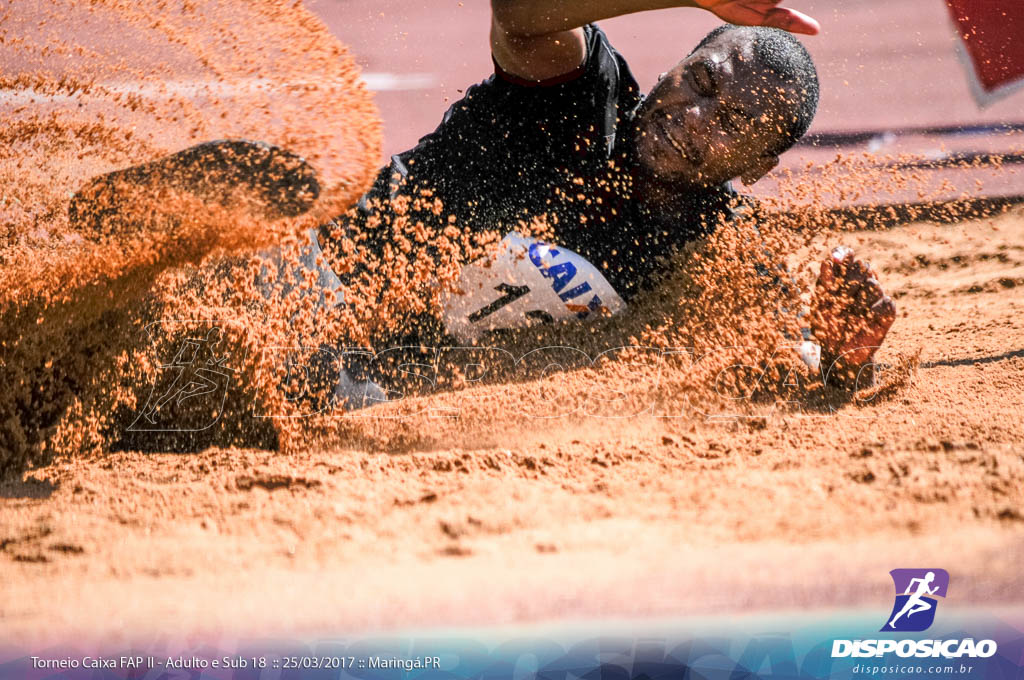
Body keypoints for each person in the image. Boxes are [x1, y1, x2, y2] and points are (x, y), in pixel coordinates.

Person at [72, 0, 898, 407]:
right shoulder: (580, 99)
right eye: (703, 83)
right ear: (679, 63)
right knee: (273, 179)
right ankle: (73, 282)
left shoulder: (719, 251)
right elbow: (525, 13)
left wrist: (845, 359)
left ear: (755, 169)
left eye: (736, 125)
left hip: (350, 391)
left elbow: (784, 364)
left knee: (274, 381)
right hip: (299, 279)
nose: (695, 120)